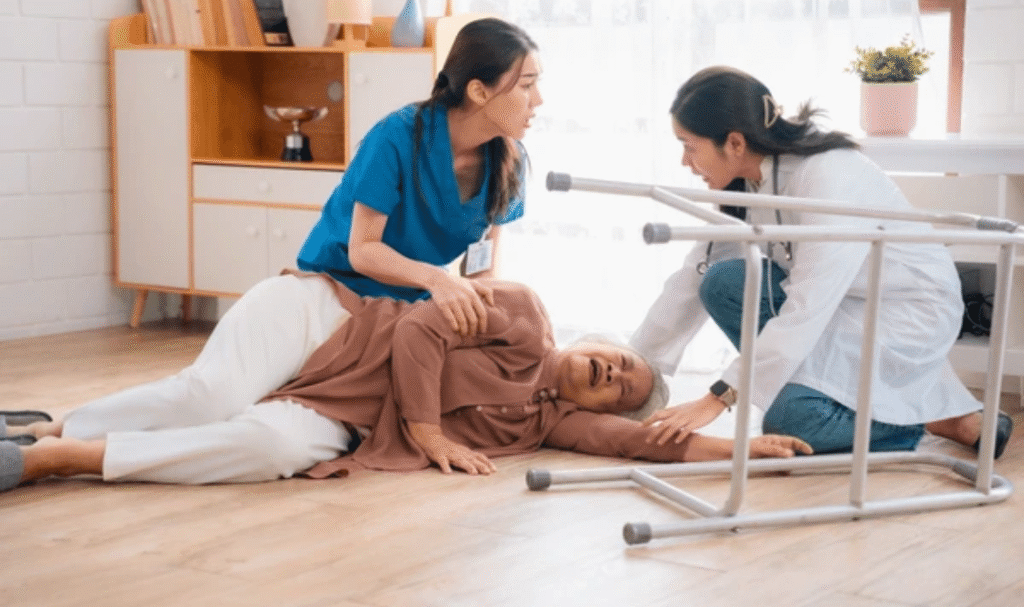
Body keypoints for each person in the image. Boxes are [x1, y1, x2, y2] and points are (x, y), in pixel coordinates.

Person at [0, 273, 812, 493]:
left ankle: (59, 457)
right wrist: (426, 430)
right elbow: (423, 326)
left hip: (343, 412)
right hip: (327, 323)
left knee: (269, 448)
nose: (613, 374)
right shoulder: (527, 314)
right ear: (599, 340)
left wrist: (744, 447)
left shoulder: (544, 424)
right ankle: (53, 426)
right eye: (619, 360)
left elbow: (641, 443)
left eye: (619, 387)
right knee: (208, 394)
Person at [631, 66, 1013, 458]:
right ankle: (891, 403)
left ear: (734, 143)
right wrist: (636, 367)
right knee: (722, 282)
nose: (684, 161)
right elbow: (690, 279)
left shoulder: (827, 173)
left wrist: (720, 396)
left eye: (689, 146)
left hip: (906, 312)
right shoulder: (745, 182)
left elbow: (808, 303)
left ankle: (929, 419)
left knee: (790, 424)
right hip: (839, 304)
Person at [297, 17, 543, 339]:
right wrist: (438, 280)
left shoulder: (510, 162)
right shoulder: (396, 137)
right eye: (526, 86)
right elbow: (363, 250)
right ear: (479, 91)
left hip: (418, 293)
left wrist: (481, 316)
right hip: (342, 282)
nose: (538, 100)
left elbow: (481, 270)